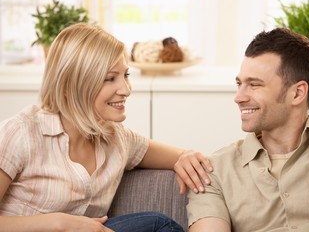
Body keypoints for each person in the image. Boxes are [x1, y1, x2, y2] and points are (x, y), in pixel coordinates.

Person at [0, 23, 213, 232]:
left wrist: (186, 156)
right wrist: (59, 224)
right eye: (110, 78)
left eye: (126, 75)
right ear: (70, 86)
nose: (126, 89)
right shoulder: (21, 133)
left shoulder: (117, 138)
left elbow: (177, 156)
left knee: (158, 223)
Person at [186, 28, 309, 231]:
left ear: (297, 93)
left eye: (254, 85)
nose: (239, 97)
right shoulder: (213, 170)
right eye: (239, 83)